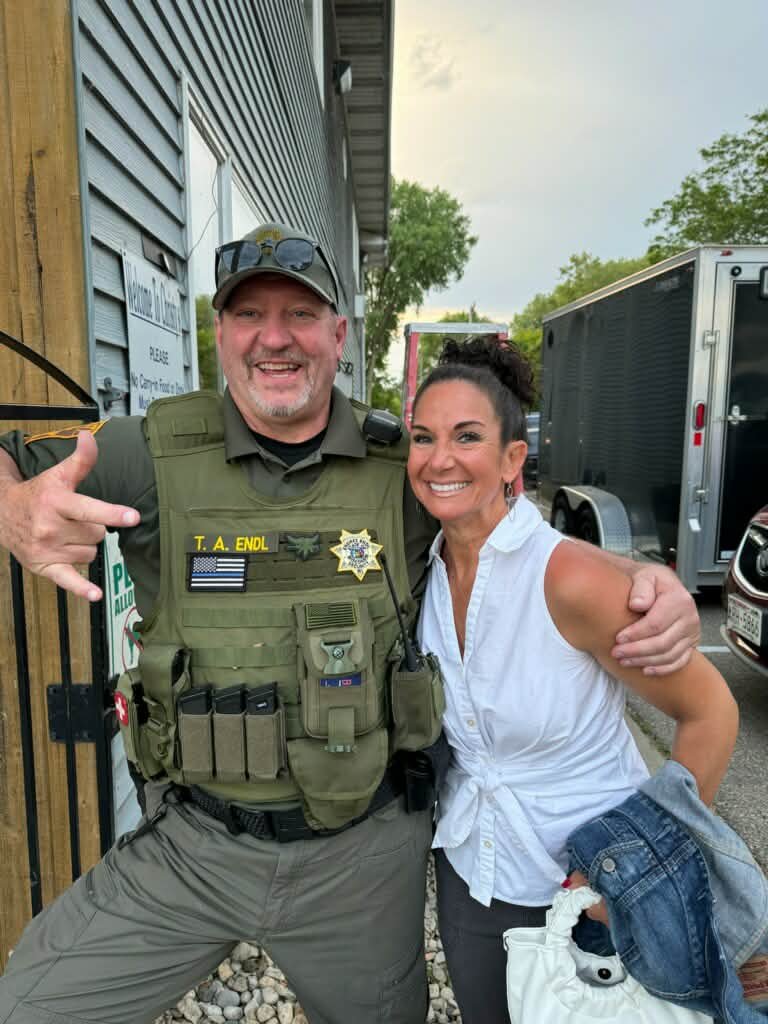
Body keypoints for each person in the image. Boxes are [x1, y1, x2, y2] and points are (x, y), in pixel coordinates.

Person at [0, 222, 699, 1024]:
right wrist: (14, 507)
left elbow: (521, 537)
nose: (274, 338)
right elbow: (8, 453)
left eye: (300, 315)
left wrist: (650, 579)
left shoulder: (404, 465)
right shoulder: (147, 452)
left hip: (360, 863)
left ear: (338, 334)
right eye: (248, 314)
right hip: (191, 851)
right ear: (220, 334)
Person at [406, 335, 739, 1024]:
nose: (439, 459)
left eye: (466, 437)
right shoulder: (427, 564)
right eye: (422, 437)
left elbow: (711, 713)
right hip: (475, 872)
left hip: (591, 885)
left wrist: (638, 870)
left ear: (512, 460)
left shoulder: (569, 579)